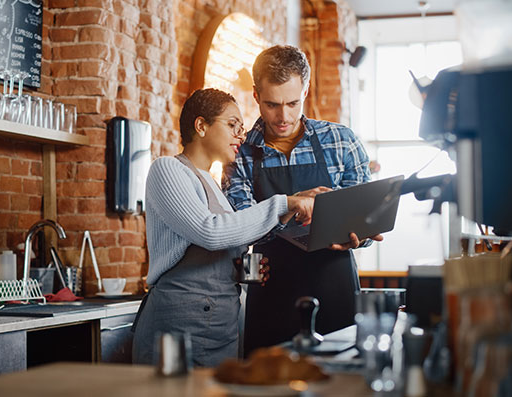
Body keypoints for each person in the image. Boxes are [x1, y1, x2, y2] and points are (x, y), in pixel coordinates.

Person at [131, 88, 315, 368]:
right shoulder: (167, 169)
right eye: (232, 125)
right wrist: (283, 204)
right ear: (201, 126)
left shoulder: (214, 186)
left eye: (241, 128)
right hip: (178, 328)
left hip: (220, 329)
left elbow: (217, 246)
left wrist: (240, 269)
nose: (240, 135)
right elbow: (210, 232)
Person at [223, 45, 383, 356]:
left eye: (293, 103)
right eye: (272, 104)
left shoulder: (341, 141)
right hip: (272, 292)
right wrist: (291, 204)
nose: (283, 116)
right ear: (255, 95)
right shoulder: (238, 152)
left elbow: (366, 216)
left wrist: (360, 236)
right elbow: (239, 226)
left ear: (306, 90)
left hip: (335, 285)